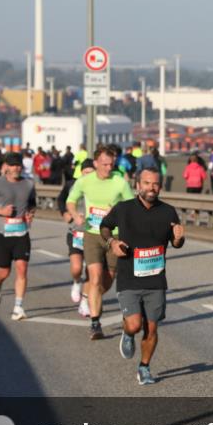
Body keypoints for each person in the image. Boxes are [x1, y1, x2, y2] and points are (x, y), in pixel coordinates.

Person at [101, 168, 185, 385]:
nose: (151, 188)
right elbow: (105, 227)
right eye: (147, 183)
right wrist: (112, 243)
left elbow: (176, 243)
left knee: (152, 327)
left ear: (160, 187)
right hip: (129, 276)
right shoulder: (124, 209)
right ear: (138, 185)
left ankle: (144, 367)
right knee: (135, 325)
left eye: (155, 184)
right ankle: (127, 332)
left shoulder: (168, 212)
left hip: (156, 279)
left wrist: (178, 239)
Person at [67, 144, 135, 340]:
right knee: (95, 277)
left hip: (114, 237)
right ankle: (95, 324)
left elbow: (131, 207)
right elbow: (71, 200)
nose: (108, 168)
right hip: (92, 234)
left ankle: (91, 297)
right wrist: (75, 215)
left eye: (111, 164)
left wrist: (116, 211)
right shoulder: (85, 181)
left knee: (107, 280)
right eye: (104, 164)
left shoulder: (119, 181)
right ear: (96, 163)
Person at [0, 152, 37, 319]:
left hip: (21, 233)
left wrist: (30, 213)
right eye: (13, 165)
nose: (16, 168)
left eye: (18, 164)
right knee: (4, 271)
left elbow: (32, 204)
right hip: (2, 234)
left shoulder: (28, 184)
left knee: (22, 269)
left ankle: (18, 307)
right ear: (6, 167)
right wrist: (1, 211)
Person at [58, 159, 96, 315]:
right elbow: (61, 199)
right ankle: (75, 282)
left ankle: (85, 301)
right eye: (86, 173)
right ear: (81, 173)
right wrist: (66, 213)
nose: (88, 176)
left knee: (91, 270)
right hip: (75, 232)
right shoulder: (72, 185)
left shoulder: (100, 187)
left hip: (93, 234)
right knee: (77, 267)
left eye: (91, 173)